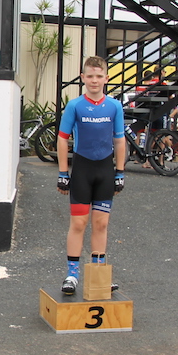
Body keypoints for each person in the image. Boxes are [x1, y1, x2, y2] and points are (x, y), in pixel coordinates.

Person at [56, 56, 125, 295]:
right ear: (83, 78)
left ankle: (98, 274)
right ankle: (72, 275)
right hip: (82, 170)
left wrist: (120, 172)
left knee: (101, 223)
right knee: (78, 223)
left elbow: (119, 140)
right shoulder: (75, 105)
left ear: (106, 78)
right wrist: (63, 173)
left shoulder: (115, 106)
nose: (94, 80)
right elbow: (62, 139)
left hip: (105, 170)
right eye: (90, 76)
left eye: (99, 76)